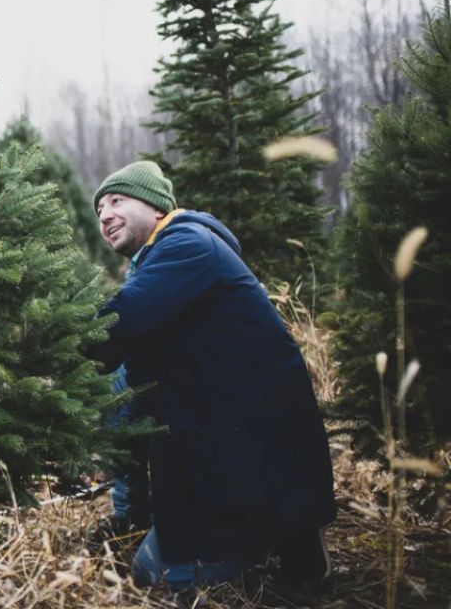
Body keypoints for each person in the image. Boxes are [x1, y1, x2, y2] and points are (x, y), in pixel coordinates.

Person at [89, 160, 335, 592]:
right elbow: (131, 382)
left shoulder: (188, 243)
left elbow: (123, 320)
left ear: (155, 206)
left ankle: (286, 551)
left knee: (163, 579)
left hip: (248, 444)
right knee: (152, 570)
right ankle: (256, 546)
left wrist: (52, 349)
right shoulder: (156, 261)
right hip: (213, 441)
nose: (105, 214)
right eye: (99, 210)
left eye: (117, 200)